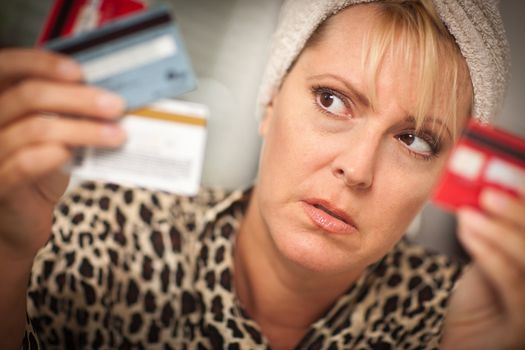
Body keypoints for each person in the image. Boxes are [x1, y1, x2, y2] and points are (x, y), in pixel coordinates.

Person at [0, 0, 523, 349]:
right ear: (270, 102)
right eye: (332, 100)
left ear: (444, 177)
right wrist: (7, 254)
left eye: (414, 140)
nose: (357, 170)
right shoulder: (106, 231)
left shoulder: (469, 322)